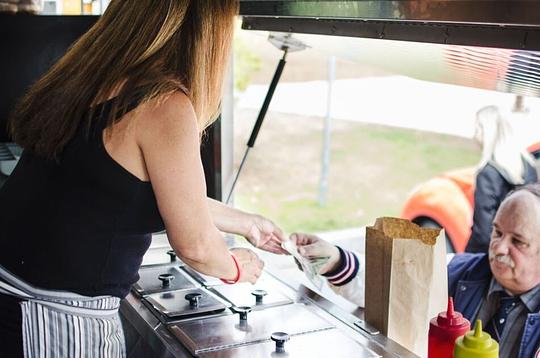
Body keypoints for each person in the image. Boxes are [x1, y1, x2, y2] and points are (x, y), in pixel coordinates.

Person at [0, 1, 286, 357]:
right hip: (55, 320)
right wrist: (235, 268)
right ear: (207, 33)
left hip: (14, 290)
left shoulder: (89, 77)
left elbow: (133, 187)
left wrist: (246, 222)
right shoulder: (163, 103)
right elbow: (196, 246)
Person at [292, 184, 540, 358]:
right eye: (497, 232)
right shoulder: (464, 271)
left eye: (518, 241)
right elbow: (393, 280)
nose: (499, 247)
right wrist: (334, 260)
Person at [465, 99, 537, 253]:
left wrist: (464, 261)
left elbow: (483, 233)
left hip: (494, 257)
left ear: (488, 132)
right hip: (525, 253)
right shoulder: (528, 166)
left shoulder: (487, 174)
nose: (474, 136)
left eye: (478, 129)